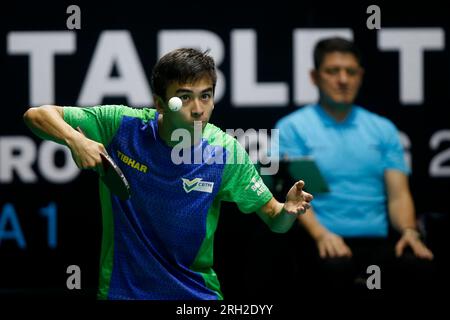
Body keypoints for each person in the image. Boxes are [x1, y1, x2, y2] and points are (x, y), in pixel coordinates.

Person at [23, 48, 312, 300]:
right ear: (160, 104)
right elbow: (37, 115)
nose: (198, 110)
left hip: (197, 294)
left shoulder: (225, 152)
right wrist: (76, 140)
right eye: (184, 98)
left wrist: (287, 210)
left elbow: (275, 221)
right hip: (124, 291)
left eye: (205, 96)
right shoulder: (121, 127)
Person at [274, 37, 434, 295]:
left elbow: (399, 195)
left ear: (360, 76)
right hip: (320, 241)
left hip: (378, 243)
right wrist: (321, 235)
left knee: (419, 265)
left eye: (351, 72)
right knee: (332, 269)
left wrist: (409, 231)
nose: (343, 80)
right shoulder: (293, 128)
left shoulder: (383, 129)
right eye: (333, 71)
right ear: (314, 77)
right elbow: (292, 197)